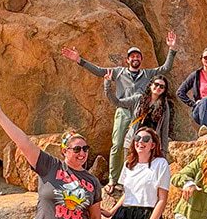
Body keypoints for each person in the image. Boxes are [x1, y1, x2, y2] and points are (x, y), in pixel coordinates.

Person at [61, 31, 178, 191]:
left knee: (134, 146)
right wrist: (79, 60)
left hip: (140, 113)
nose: (135, 58)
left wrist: (171, 49)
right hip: (123, 110)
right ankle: (113, 179)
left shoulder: (147, 74)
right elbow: (99, 71)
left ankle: (128, 180)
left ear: (141, 60)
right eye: (132, 56)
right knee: (117, 145)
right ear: (127, 60)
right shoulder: (119, 72)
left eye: (138, 56)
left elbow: (165, 68)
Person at [104, 70, 174, 164]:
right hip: (133, 141)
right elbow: (117, 102)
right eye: (156, 84)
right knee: (130, 168)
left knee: (146, 170)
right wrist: (107, 84)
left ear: (164, 90)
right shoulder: (139, 98)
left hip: (150, 145)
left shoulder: (164, 106)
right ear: (151, 85)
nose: (158, 88)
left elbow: (164, 129)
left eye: (162, 86)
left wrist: (163, 151)